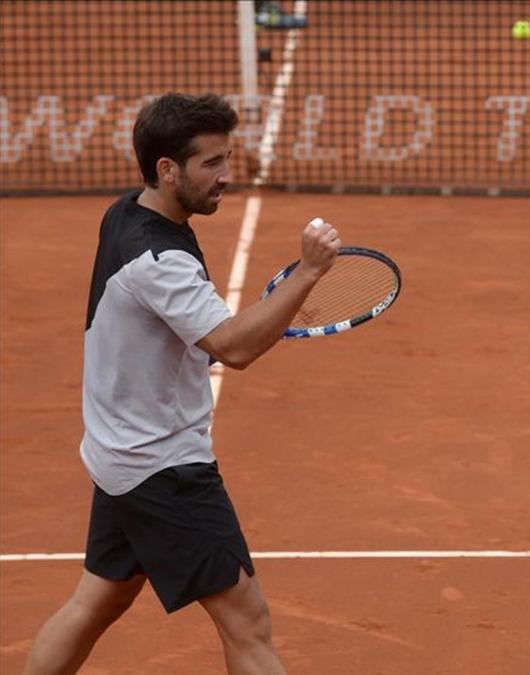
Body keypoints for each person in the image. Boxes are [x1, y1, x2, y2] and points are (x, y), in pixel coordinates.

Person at [24, 93, 340, 674]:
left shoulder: (127, 213)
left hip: (119, 450)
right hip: (161, 467)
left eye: (227, 158)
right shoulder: (159, 261)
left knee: (96, 601)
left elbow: (175, 334)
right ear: (167, 168)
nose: (226, 176)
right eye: (211, 163)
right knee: (248, 624)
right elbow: (235, 346)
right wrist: (310, 271)